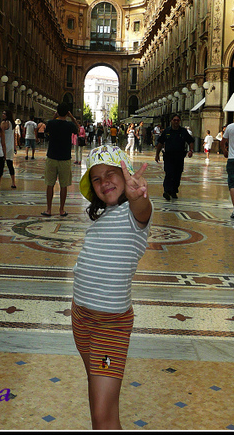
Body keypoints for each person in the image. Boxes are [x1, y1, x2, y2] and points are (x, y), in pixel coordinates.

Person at [73, 145, 152, 430]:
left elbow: (143, 208)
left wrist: (137, 197)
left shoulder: (134, 216)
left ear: (126, 175)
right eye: (97, 178)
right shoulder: (102, 216)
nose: (105, 181)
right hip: (81, 317)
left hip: (111, 326)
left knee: (102, 416)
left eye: (112, 173)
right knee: (100, 399)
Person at [41, 102, 78, 217]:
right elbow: (77, 128)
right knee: (64, 185)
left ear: (57, 112)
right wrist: (71, 117)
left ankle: (48, 209)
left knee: (50, 184)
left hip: (52, 157)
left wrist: (54, 116)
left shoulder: (52, 123)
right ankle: (61, 209)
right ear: (67, 112)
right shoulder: (69, 125)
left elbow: (46, 130)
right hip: (65, 158)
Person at [155, 113, 194, 200]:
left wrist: (191, 150)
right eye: (174, 120)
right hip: (168, 157)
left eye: (177, 120)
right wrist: (157, 154)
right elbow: (160, 143)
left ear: (179, 121)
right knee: (169, 173)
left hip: (179, 157)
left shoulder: (183, 131)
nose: (176, 122)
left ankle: (173, 191)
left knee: (177, 174)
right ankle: (167, 191)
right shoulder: (167, 131)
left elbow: (190, 141)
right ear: (171, 121)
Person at [2, 109, 17, 188]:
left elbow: (0, 133)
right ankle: (13, 182)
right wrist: (14, 146)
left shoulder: (5, 123)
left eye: (4, 113)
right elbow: (14, 136)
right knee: (10, 164)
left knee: (0, 165)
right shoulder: (12, 124)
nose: (3, 114)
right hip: (10, 146)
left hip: (4, 146)